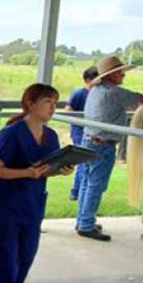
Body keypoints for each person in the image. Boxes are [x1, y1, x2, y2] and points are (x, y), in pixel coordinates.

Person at [0, 83, 73, 283]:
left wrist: (61, 169)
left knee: (26, 256)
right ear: (30, 104)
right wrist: (25, 172)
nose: (53, 107)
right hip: (6, 206)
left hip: (33, 206)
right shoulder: (12, 134)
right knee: (5, 259)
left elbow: (48, 167)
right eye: (47, 102)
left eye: (55, 102)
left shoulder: (52, 136)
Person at [76, 56, 143, 242]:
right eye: (120, 72)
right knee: (96, 185)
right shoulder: (116, 93)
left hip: (88, 140)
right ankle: (86, 225)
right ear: (110, 76)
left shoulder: (95, 90)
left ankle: (83, 220)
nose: (123, 75)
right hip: (103, 145)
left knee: (86, 182)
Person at [65, 66, 98, 201]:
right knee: (83, 162)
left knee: (87, 163)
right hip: (79, 131)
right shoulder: (79, 94)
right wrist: (82, 119)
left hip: (91, 133)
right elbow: (68, 110)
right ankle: (76, 191)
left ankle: (79, 191)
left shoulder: (97, 95)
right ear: (87, 80)